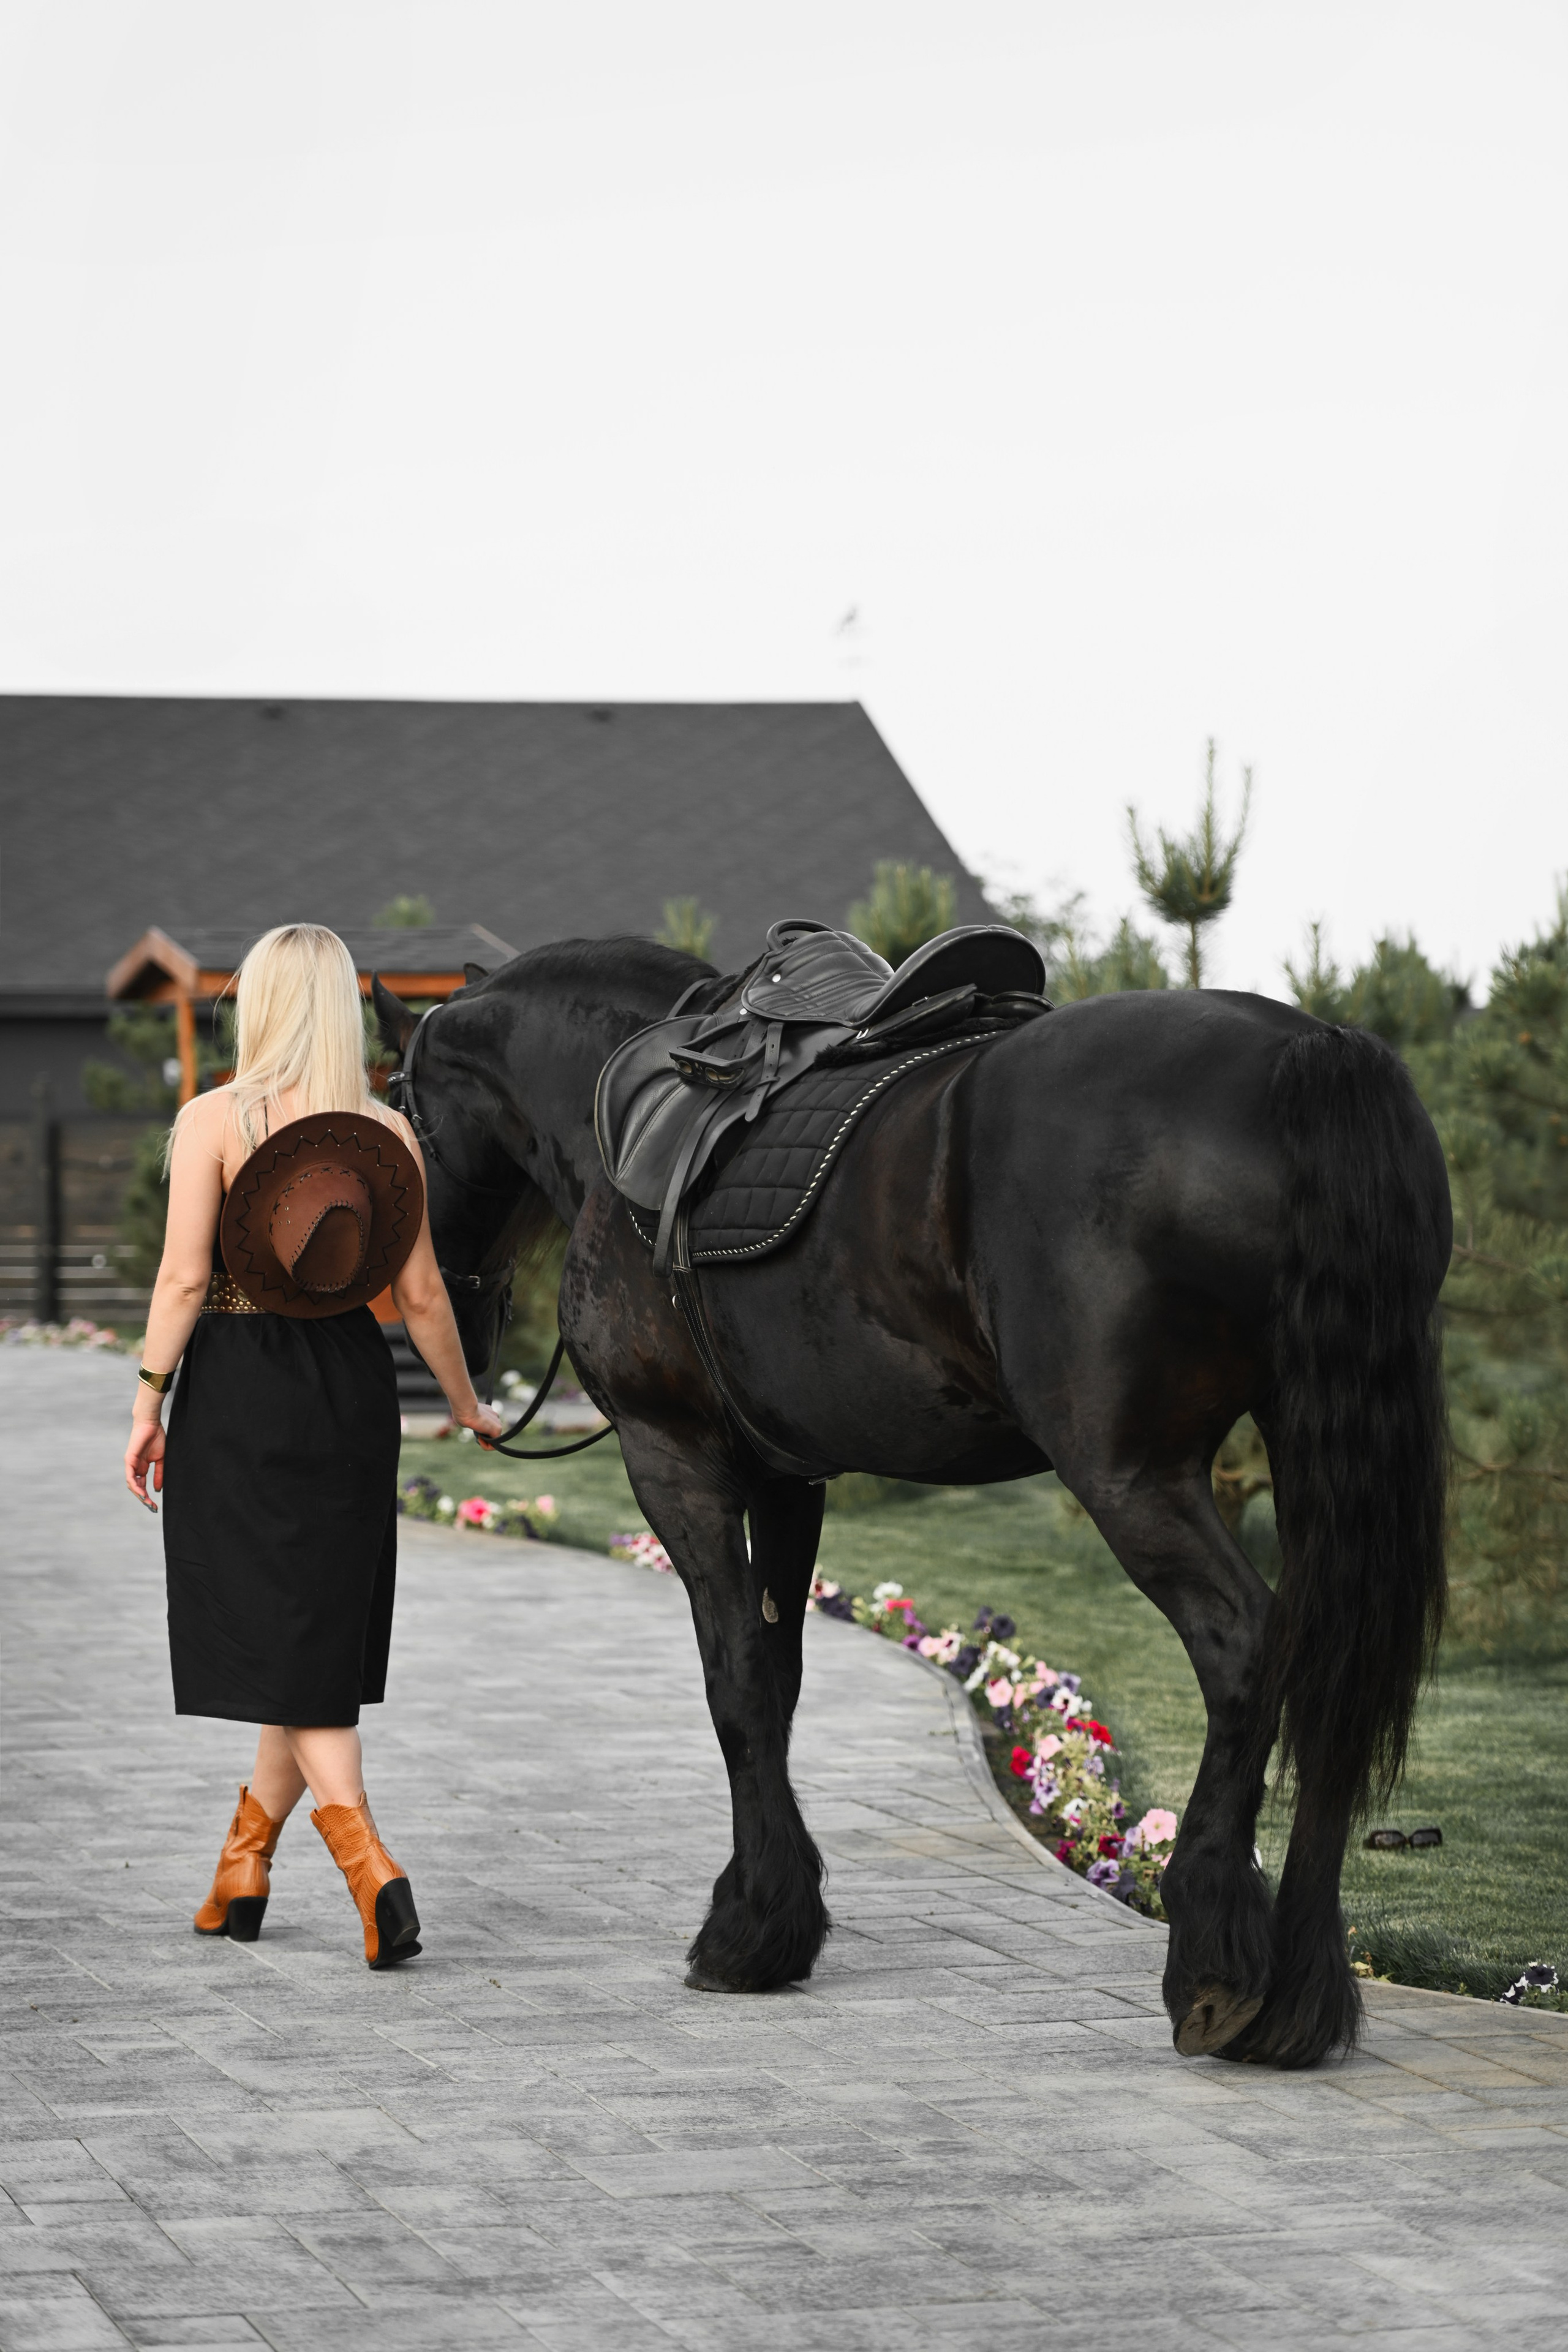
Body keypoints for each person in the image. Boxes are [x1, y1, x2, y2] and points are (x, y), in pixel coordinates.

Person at [123, 924, 503, 1968]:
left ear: (262, 1005)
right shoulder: (384, 1133)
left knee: (286, 1637)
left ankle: (369, 1865)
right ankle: (242, 1866)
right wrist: (467, 1404)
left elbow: (186, 1282)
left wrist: (150, 1400)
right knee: (305, 1639)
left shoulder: (215, 1117)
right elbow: (421, 1294)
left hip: (241, 1387)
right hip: (346, 1384)